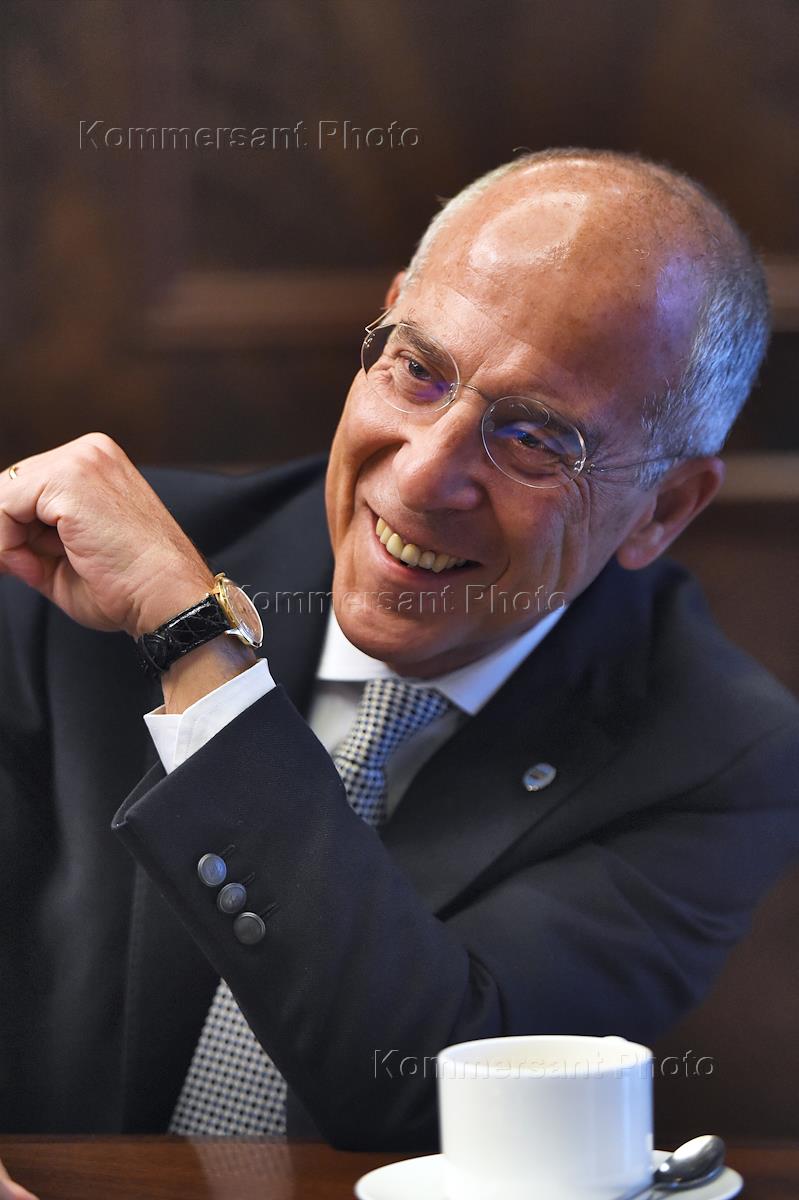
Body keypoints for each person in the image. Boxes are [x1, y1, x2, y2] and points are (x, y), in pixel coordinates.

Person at [1, 148, 797, 1190]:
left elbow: (435, 1094)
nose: (423, 477)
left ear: (664, 509)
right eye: (419, 370)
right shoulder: (68, 574)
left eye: (534, 437)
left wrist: (199, 652)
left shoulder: (717, 754)